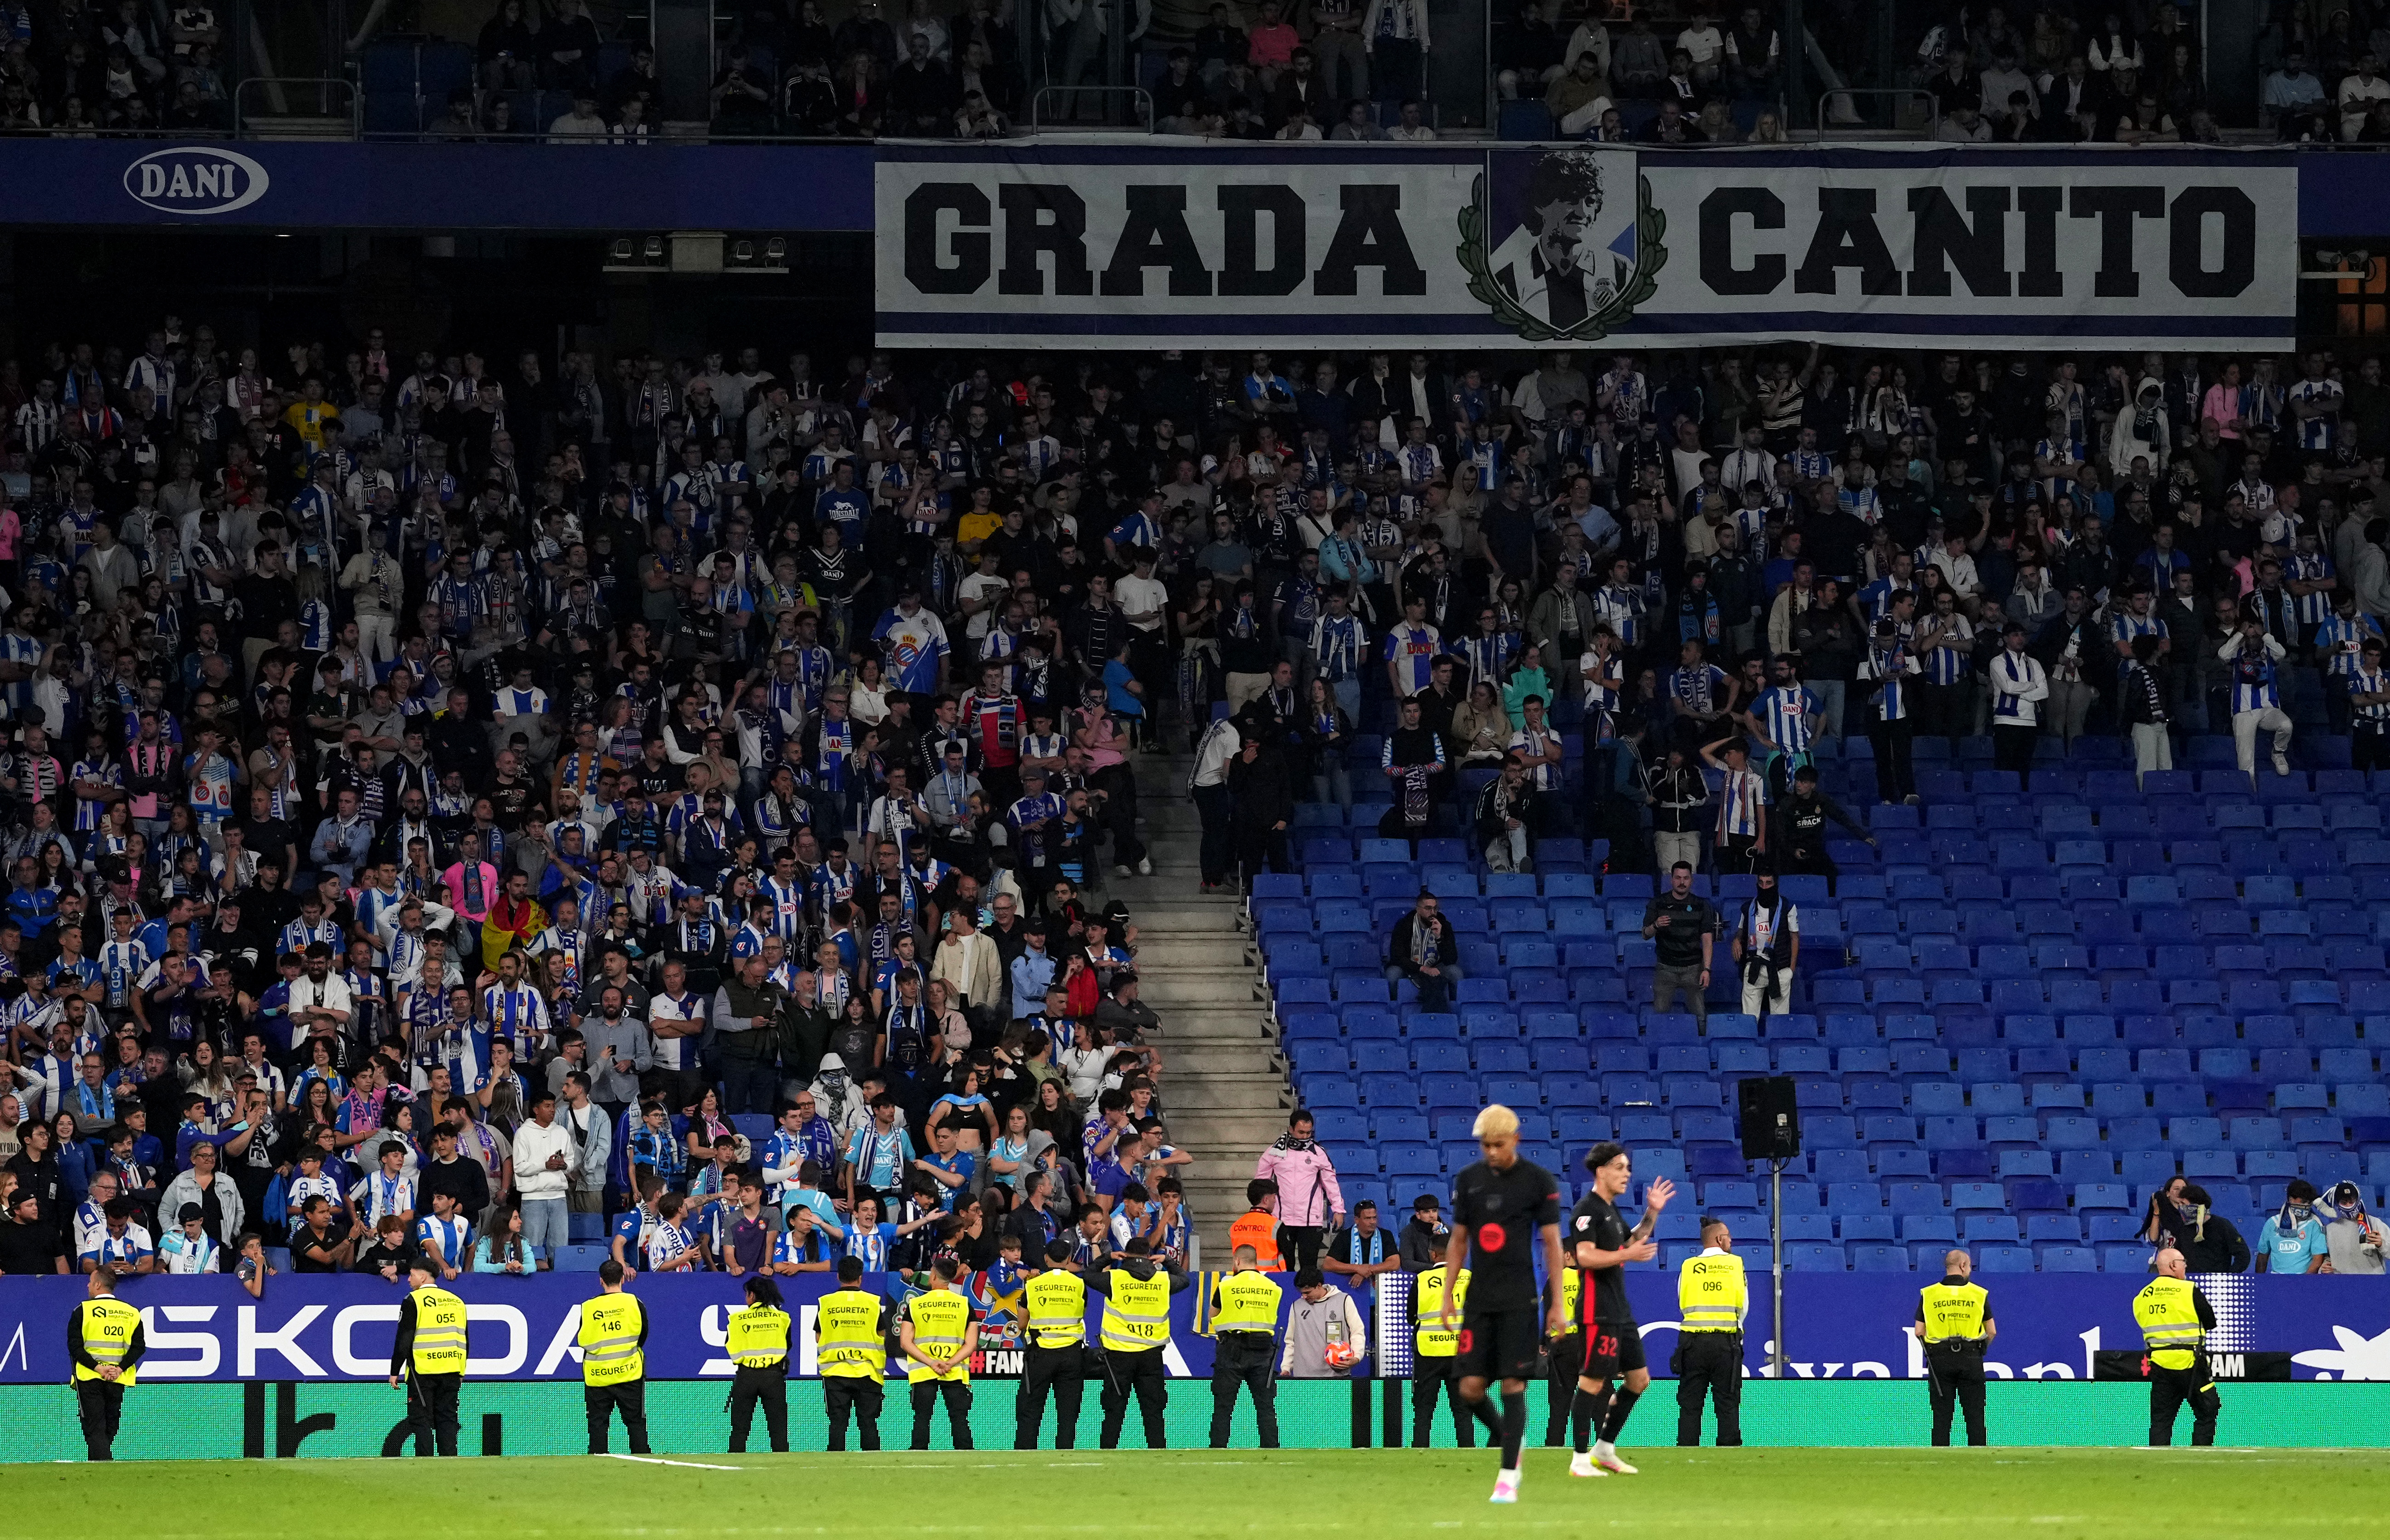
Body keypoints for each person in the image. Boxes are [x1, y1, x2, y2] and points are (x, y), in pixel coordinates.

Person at [1438, 1104, 1566, 1503]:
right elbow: (1459, 1241)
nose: (1491, 1152)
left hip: (1520, 1299)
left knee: (1514, 1383)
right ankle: (1508, 1437)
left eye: (1498, 1144)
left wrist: (1557, 1303)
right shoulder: (1469, 1180)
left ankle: (1508, 1475)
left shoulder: (1537, 1181)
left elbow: (1551, 1243)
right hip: (1479, 1299)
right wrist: (1448, 1294)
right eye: (1485, 1145)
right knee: (1470, 1389)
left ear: (1516, 1139)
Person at [1564, 1140, 1672, 1477]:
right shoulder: (1587, 1209)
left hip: (1619, 1308)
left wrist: (1652, 1212)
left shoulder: (1611, 1210)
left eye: (1628, 1168)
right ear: (1602, 1171)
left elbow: (1630, 1241)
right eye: (1621, 1168)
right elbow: (1585, 1256)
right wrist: (1627, 1256)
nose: (1627, 1174)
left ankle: (1604, 1449)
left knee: (1639, 1380)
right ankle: (1580, 1459)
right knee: (1592, 1382)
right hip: (1598, 1309)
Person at [1092, 1235, 1189, 1448]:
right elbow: (1185, 1279)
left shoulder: (1114, 1279)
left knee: (1114, 1409)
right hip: (1151, 1356)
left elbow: (1088, 1275)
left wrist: (1108, 1256)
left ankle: (1107, 1453)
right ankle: (1158, 1454)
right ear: (1149, 1256)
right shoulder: (1163, 1280)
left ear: (1125, 1254)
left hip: (1118, 1355)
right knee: (1153, 1410)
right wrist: (1166, 1261)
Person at [2134, 1247, 2220, 1446]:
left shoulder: (2142, 1296)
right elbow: (2210, 1322)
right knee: (2207, 1410)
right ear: (2173, 1266)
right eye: (2183, 1262)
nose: (2185, 1266)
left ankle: (2157, 1464)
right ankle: (2201, 1457)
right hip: (2192, 1364)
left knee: (2161, 1420)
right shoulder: (2189, 1289)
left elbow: (2142, 1322)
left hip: (2159, 1364)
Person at [1672, 1215, 1745, 1446]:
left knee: (1690, 1404)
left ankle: (1686, 1451)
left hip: (1692, 1344)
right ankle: (1729, 1450)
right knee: (1727, 1402)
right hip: (1726, 1344)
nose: (1731, 1242)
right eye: (1729, 1237)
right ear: (1719, 1238)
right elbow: (1743, 1307)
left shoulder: (1688, 1266)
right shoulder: (1736, 1264)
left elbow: (1682, 1303)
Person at [388, 1253, 470, 1456]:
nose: (408, 1279)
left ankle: (425, 1463)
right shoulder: (456, 1301)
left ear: (423, 1277)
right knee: (448, 1417)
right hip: (451, 1369)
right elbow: (465, 1340)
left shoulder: (413, 1300)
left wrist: (394, 1371)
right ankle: (449, 1461)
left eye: (412, 1275)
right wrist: (461, 1370)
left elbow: (404, 1339)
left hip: (422, 1370)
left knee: (422, 1419)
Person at [1913, 1248, 1993, 1447]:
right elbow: (1991, 1331)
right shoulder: (1978, 1294)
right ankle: (1980, 1462)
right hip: (1971, 1357)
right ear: (1963, 1266)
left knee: (1941, 1417)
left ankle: (1939, 1463)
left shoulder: (1930, 1293)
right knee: (1975, 1416)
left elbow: (1919, 1331)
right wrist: (1979, 1349)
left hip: (1939, 1359)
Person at [1207, 1241, 1283, 1448]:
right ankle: (1271, 1450)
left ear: (1237, 1261)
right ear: (1256, 1262)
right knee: (1266, 1406)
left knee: (1223, 1407)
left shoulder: (1226, 1286)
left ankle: (1218, 1450)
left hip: (1232, 1350)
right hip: (1264, 1351)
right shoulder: (1273, 1288)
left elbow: (1212, 1317)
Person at [68, 1263, 145, 1460]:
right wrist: (119, 1369)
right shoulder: (131, 1312)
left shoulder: (82, 1310)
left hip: (89, 1377)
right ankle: (104, 1461)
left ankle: (101, 1464)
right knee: (110, 1424)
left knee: (95, 1426)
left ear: (97, 1286)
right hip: (117, 1379)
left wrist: (98, 1368)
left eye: (90, 1282)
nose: (88, 1286)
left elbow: (75, 1348)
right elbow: (139, 1347)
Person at [1017, 1239, 1089, 1448]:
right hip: (1071, 1354)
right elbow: (1082, 1312)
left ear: (1046, 1258)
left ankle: (1024, 1454)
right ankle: (1065, 1455)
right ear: (1068, 1260)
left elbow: (1022, 1324)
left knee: (1030, 1410)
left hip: (1041, 1353)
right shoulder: (1079, 1284)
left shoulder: (1032, 1285)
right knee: (1068, 1413)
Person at [902, 1253, 978, 1449]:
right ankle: (967, 1461)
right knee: (959, 1418)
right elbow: (971, 1345)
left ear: (934, 1276)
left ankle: (918, 1460)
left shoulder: (915, 1304)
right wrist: (950, 1363)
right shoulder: (965, 1304)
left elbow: (905, 1342)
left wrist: (931, 1363)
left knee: (922, 1418)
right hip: (954, 1371)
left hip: (924, 1370)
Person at [1252, 1109, 1342, 1270]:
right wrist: (1260, 1212)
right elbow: (1261, 1184)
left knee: (1309, 1268)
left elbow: (1331, 1182)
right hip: (1281, 1220)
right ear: (1291, 1129)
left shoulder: (1319, 1153)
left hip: (1310, 1221)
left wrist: (1338, 1209)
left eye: (1309, 1133)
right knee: (1284, 1267)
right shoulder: (1274, 1152)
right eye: (1301, 1132)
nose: (1305, 1136)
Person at [1410, 1221, 1473, 1448]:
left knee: (1424, 1411)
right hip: (1461, 1353)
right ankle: (1468, 1454)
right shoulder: (1468, 1277)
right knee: (1463, 1411)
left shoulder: (1422, 1279)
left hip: (1429, 1353)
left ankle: (1419, 1456)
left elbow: (1412, 1317)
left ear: (1432, 1254)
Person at [816, 1255, 890, 1450]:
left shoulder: (826, 1302)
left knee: (838, 1424)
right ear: (860, 1278)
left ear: (838, 1276)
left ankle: (834, 1468)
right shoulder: (872, 1302)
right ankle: (872, 1467)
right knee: (868, 1423)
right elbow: (881, 1334)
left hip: (835, 1371)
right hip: (867, 1370)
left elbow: (819, 1337)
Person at [578, 1258, 650, 1454]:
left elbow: (584, 1340)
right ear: (623, 1279)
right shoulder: (634, 1303)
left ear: (601, 1281)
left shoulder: (588, 1307)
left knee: (598, 1424)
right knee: (636, 1422)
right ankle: (644, 1465)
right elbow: (642, 1335)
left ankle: (597, 1467)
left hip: (598, 1375)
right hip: (629, 1372)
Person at [1640, 862, 1714, 1025]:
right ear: (1672, 880)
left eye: (1686, 878)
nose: (1682, 882)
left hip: (1694, 969)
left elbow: (1707, 940)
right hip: (1665, 969)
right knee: (1659, 1018)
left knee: (1700, 1019)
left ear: (1691, 880)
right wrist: (1656, 925)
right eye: (1678, 878)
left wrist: (1707, 969)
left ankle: (1700, 1046)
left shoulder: (1702, 905)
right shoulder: (1658, 903)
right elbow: (1645, 934)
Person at [726, 1274, 793, 1453]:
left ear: (752, 1296)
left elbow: (730, 1344)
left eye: (747, 1294)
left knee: (739, 1431)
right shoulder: (782, 1318)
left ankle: (731, 1472)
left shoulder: (737, 1320)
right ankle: (783, 1473)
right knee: (779, 1431)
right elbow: (788, 1345)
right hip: (773, 1377)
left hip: (746, 1376)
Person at [1729, 866, 1797, 1023]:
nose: (1765, 887)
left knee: (1779, 1022)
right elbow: (1740, 932)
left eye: (1768, 883)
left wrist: (1791, 970)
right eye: (1761, 883)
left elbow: (1795, 938)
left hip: (1779, 968)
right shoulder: (1748, 908)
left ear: (1776, 885)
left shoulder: (1787, 907)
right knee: (1749, 1020)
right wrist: (1736, 940)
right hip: (1754, 967)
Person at [1279, 1264, 1366, 1381]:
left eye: (1308, 1292)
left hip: (1337, 1376)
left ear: (1319, 1286)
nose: (1304, 1297)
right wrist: (1286, 1367)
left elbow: (1357, 1332)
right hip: (1304, 1377)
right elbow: (1291, 1341)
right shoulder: (1297, 1306)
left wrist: (1357, 1357)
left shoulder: (1344, 1300)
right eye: (1302, 1293)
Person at [2256, 1180, 2330, 1275]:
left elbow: (2317, 1260)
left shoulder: (2314, 1224)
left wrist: (2303, 1283)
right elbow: (2263, 1255)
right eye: (2303, 1202)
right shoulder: (2273, 1223)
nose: (2306, 1205)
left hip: (2303, 1280)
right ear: (2291, 1200)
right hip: (2276, 1279)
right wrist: (2259, 1282)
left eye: (2309, 1203)